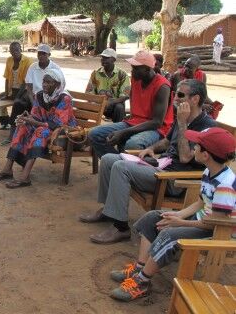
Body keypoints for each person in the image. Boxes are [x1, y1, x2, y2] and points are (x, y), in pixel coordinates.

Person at [79, 79, 216, 244]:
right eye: (175, 94)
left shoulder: (206, 126)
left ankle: (121, 228)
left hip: (175, 180)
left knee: (121, 167)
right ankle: (109, 210)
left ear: (195, 99)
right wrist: (151, 148)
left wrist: (181, 123)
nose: (175, 98)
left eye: (180, 95)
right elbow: (167, 141)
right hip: (163, 166)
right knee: (109, 159)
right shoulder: (183, 117)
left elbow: (185, 157)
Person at [109, 126, 235, 302]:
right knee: (153, 218)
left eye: (197, 146)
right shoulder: (209, 171)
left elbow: (217, 223)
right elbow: (201, 202)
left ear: (206, 155)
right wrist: (179, 215)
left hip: (219, 231)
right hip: (202, 221)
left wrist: (181, 223)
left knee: (169, 235)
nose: (193, 148)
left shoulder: (225, 185)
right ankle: (140, 267)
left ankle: (142, 282)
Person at [0, 70, 77, 188]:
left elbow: (58, 124)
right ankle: (7, 169)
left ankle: (25, 177)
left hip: (63, 132)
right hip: (45, 126)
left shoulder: (64, 98)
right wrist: (27, 118)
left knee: (40, 132)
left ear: (57, 84)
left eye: (48, 82)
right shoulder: (40, 95)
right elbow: (36, 115)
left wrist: (34, 122)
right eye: (44, 81)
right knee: (22, 127)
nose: (44, 84)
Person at [88, 50, 173, 158]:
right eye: (133, 67)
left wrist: (124, 132)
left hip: (156, 129)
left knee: (133, 144)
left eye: (136, 68)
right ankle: (116, 162)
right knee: (94, 134)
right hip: (134, 122)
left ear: (147, 69)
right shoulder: (136, 79)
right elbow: (134, 104)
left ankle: (121, 162)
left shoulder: (162, 86)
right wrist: (127, 127)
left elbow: (157, 122)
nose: (132, 71)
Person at [2, 43, 63, 145]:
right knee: (18, 103)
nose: (41, 56)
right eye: (39, 53)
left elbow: (59, 86)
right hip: (34, 94)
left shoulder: (55, 68)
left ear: (49, 55)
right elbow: (29, 87)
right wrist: (33, 101)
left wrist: (47, 99)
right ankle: (12, 134)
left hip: (49, 96)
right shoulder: (33, 67)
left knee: (43, 109)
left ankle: (37, 134)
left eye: (44, 54)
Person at [0, 41, 32, 130]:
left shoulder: (28, 61)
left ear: (21, 50)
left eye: (17, 50)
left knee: (17, 104)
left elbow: (25, 82)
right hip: (12, 90)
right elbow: (7, 78)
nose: (14, 52)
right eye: (12, 50)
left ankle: (13, 125)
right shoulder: (9, 60)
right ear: (10, 51)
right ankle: (6, 122)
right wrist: (6, 94)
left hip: (24, 91)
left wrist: (17, 97)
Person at [85, 48, 130, 123]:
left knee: (119, 107)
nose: (103, 60)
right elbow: (89, 92)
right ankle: (77, 127)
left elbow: (125, 95)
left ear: (114, 59)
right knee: (84, 107)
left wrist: (111, 102)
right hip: (99, 103)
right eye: (102, 58)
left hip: (115, 105)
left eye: (106, 58)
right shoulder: (95, 73)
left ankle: (117, 129)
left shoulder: (122, 74)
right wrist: (97, 102)